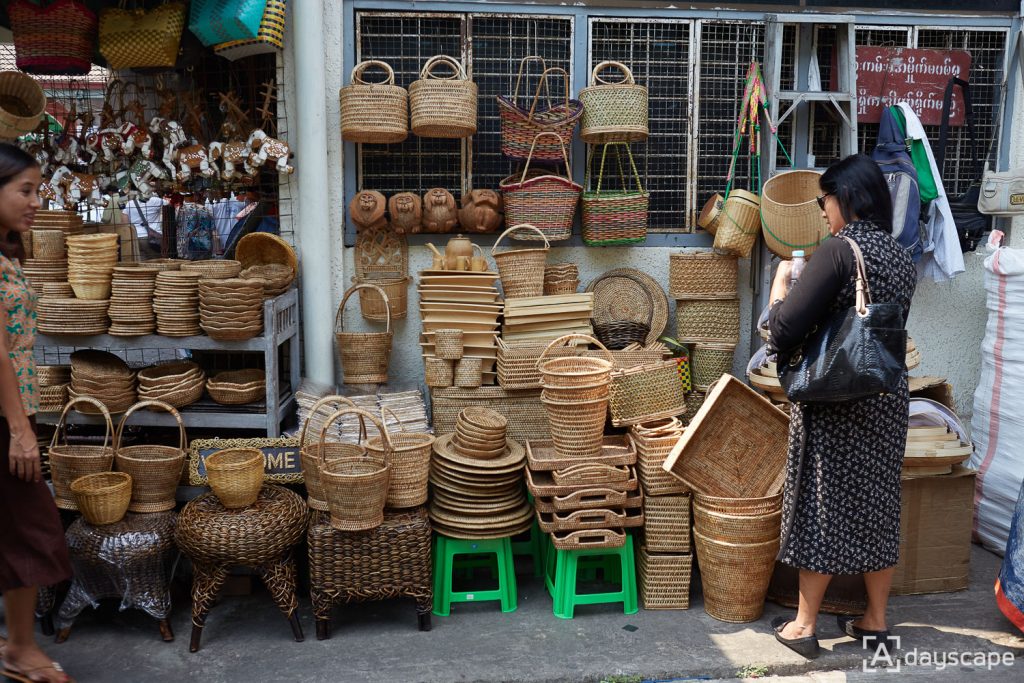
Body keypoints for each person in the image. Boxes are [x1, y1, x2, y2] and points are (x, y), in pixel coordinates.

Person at [766, 153, 917, 659]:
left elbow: (786, 328)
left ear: (846, 198)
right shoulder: (900, 254)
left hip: (837, 397)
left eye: (824, 200)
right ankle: (875, 621)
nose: (822, 210)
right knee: (878, 505)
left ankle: (804, 626)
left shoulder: (838, 251)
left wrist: (778, 290)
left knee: (823, 504)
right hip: (885, 396)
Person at [0, 144, 73, 682]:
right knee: (30, 526)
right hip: (5, 417)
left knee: (20, 527)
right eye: (24, 190)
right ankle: (22, 650)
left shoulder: (7, 254)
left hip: (13, 409)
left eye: (37, 189)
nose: (35, 201)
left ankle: (19, 645)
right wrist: (20, 430)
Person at [125, 193, 166, 259]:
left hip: (135, 237)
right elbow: (170, 206)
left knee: (141, 261)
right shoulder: (156, 200)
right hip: (152, 237)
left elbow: (124, 222)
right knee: (155, 260)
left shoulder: (129, 203)